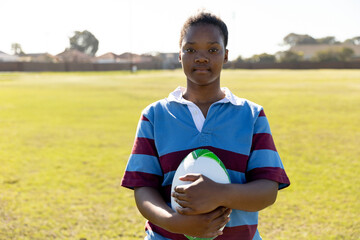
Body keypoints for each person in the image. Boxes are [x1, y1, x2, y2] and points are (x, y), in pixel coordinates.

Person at [121, 11, 290, 240]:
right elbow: (143, 189)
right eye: (190, 50)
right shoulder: (154, 115)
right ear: (179, 55)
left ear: (226, 55)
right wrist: (175, 222)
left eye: (212, 49)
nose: (201, 58)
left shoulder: (251, 115)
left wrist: (220, 193)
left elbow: (268, 191)